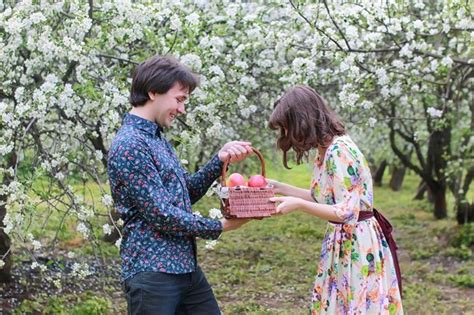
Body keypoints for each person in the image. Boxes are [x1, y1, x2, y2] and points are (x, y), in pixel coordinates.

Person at [107, 55, 252, 315]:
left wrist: (219, 161)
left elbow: (183, 193)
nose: (182, 109)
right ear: (153, 92)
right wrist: (218, 226)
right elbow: (161, 214)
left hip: (185, 268)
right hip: (153, 273)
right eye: (179, 99)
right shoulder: (130, 145)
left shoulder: (156, 138)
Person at [267, 85, 403, 314]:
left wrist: (299, 206)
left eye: (287, 127)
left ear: (302, 120)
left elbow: (347, 212)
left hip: (357, 240)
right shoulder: (325, 149)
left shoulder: (339, 151)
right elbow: (321, 197)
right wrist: (280, 187)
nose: (287, 134)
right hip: (342, 239)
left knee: (355, 305)